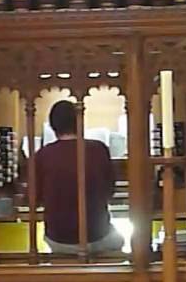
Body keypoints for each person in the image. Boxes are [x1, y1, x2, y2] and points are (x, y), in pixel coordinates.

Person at [32, 100, 123, 255]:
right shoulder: (99, 149)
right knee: (118, 241)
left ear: (52, 127)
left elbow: (35, 198)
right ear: (79, 122)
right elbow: (109, 191)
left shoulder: (42, 155)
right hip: (97, 235)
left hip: (58, 238)